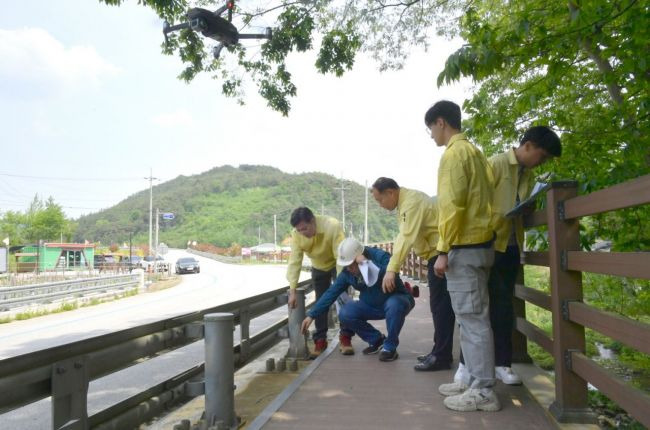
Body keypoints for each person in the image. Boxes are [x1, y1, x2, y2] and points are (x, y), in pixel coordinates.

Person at [455, 126, 562, 385]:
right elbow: (476, 201)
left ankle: (502, 363)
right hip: (489, 242)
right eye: (543, 155)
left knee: (503, 306)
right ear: (528, 146)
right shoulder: (495, 164)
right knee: (477, 306)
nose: (543, 161)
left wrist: (528, 206)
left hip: (512, 245)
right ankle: (465, 365)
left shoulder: (529, 174)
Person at [426, 100, 500, 412]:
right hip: (481, 244)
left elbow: (452, 207)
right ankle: (471, 378)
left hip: (464, 248)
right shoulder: (476, 152)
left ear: (441, 122)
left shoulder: (454, 154)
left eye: (430, 128)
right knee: (473, 318)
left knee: (472, 320)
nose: (430, 135)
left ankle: (483, 390)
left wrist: (442, 250)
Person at [371, 177, 455, 372]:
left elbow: (405, 237)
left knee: (441, 307)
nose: (380, 205)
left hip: (440, 254)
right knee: (439, 306)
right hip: (436, 254)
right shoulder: (405, 203)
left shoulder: (411, 202)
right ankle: (439, 351)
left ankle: (441, 356)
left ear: (390, 192)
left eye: (379, 200)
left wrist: (392, 269)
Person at [301, 237, 415, 362]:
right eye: (346, 266)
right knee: (346, 313)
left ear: (359, 257)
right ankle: (377, 340)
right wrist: (311, 315)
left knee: (394, 305)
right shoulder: (347, 273)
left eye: (351, 265)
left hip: (396, 300)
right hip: (370, 304)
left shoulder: (379, 256)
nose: (349, 269)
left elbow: (391, 271)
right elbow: (331, 293)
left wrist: (367, 263)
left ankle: (390, 347)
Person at [287, 207, 354, 357]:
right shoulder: (297, 234)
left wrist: (340, 283)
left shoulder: (332, 225)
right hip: (318, 266)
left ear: (313, 221)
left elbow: (341, 256)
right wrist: (292, 291)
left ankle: (345, 338)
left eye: (305, 228)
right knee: (321, 302)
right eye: (299, 230)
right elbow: (295, 261)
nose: (303, 233)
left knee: (342, 299)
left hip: (338, 264)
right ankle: (320, 340)